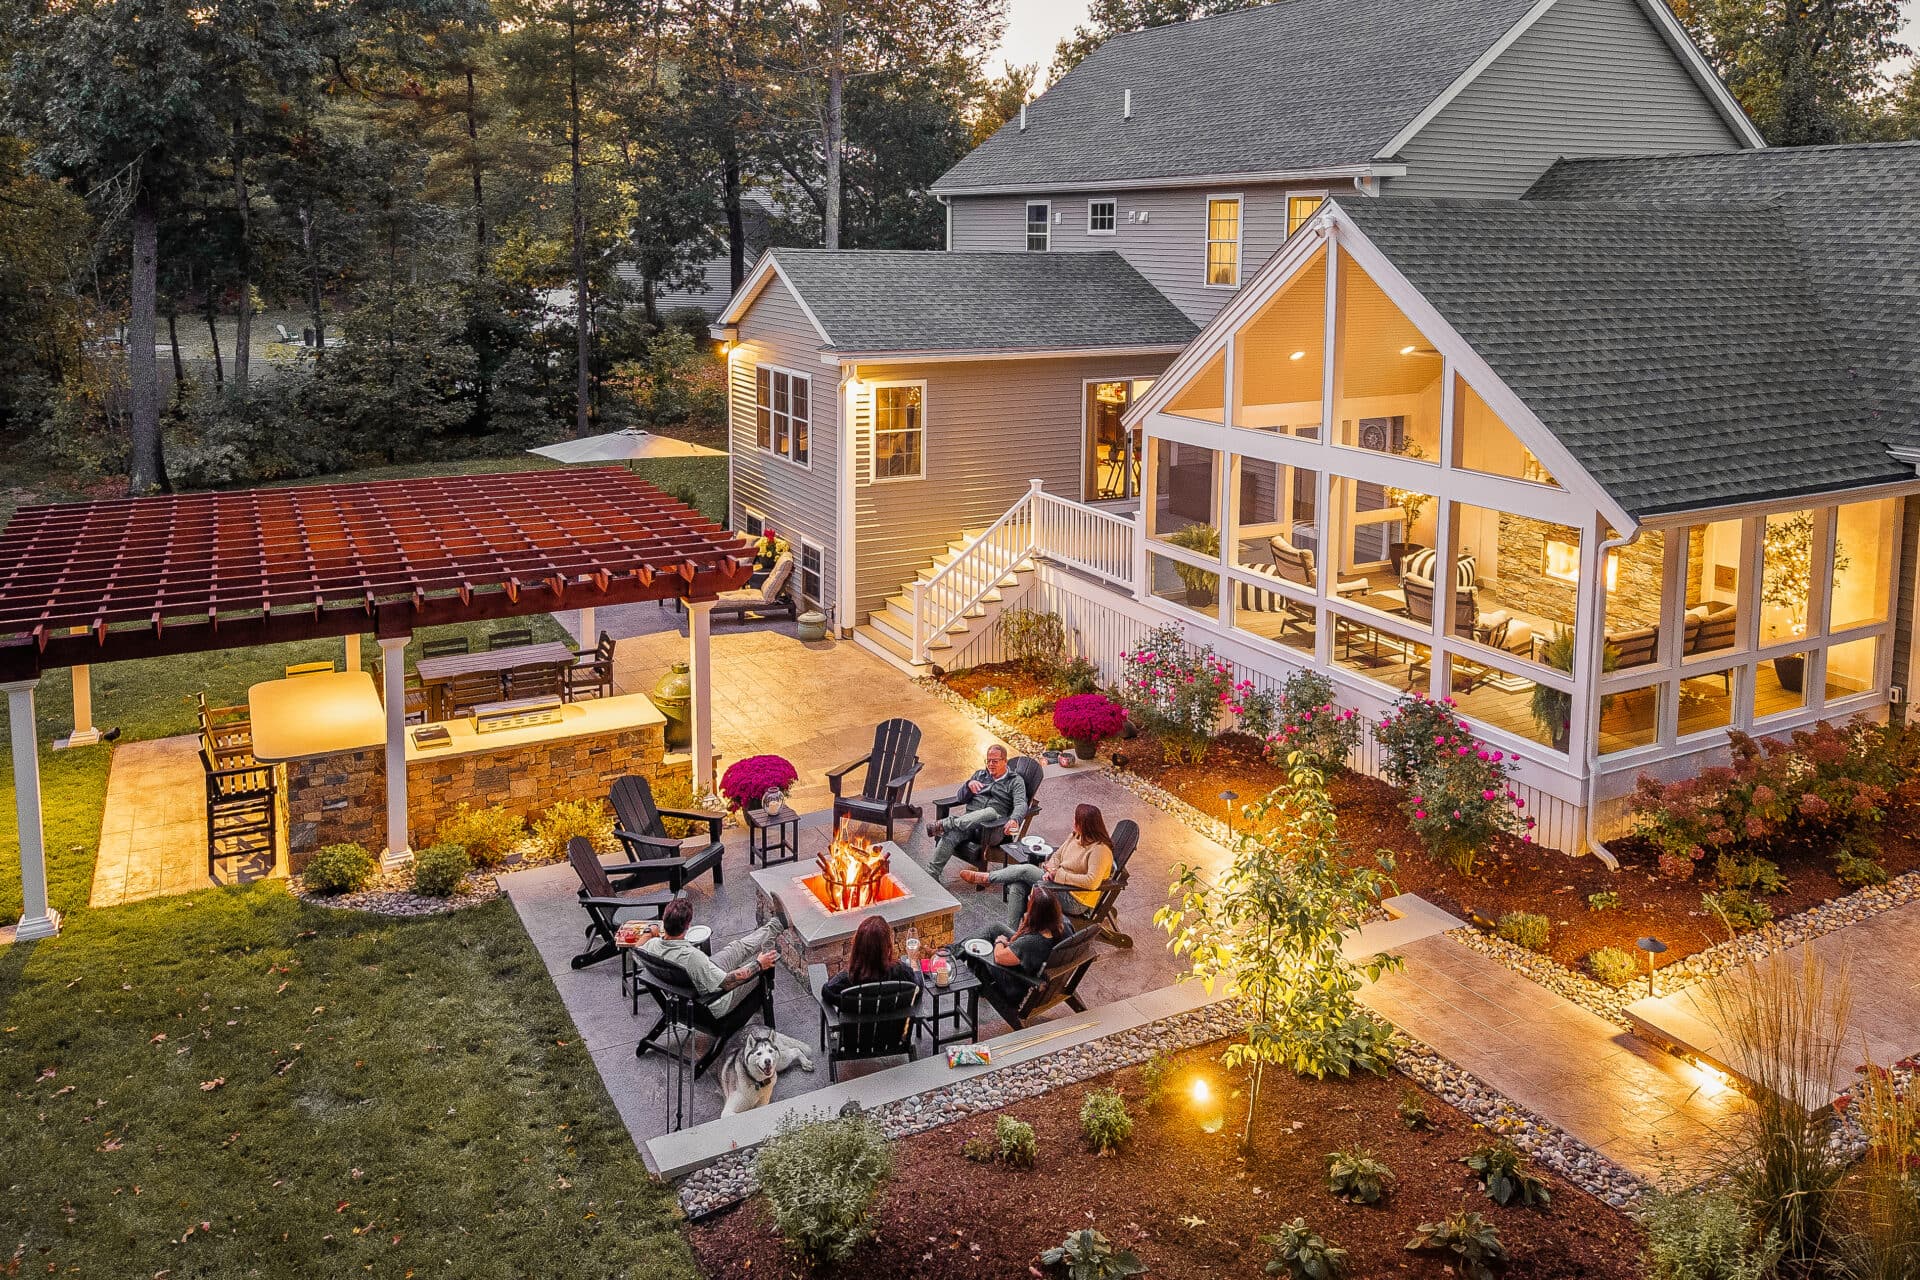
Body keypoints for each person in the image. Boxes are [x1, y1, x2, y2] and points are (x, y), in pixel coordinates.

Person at [959, 802, 1114, 930]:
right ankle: (1012, 934)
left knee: (1027, 870)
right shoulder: (1076, 836)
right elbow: (1058, 855)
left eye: (1077, 821)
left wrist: (1059, 876)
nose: (1073, 823)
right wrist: (1052, 869)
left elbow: (1092, 882)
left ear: (1087, 825)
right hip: (1057, 884)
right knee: (1017, 887)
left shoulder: (1099, 850)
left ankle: (988, 878)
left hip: (1075, 899)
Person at [635, 896, 779, 1017]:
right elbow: (728, 983)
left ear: (663, 922)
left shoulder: (650, 947)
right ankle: (765, 1006)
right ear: (687, 927)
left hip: (693, 986)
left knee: (737, 947)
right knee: (757, 964)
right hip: (713, 1002)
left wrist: (649, 931)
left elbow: (637, 948)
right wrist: (759, 964)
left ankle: (777, 924)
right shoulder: (693, 957)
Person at [925, 744, 1028, 880]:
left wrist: (1014, 819)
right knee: (951, 834)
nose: (991, 764)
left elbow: (1021, 803)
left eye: (995, 761)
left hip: (992, 830)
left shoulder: (1015, 781)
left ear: (1004, 761)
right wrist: (968, 785)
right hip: (968, 824)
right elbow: (961, 798)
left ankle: (946, 823)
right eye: (988, 760)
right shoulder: (980, 775)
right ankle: (932, 874)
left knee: (990, 811)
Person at [963, 885, 1067, 1001]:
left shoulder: (1032, 942)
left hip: (1016, 984)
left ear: (1036, 912)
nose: (1027, 900)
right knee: (995, 927)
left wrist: (999, 942)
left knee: (976, 951)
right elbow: (1015, 941)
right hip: (1032, 964)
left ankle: (960, 959)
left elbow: (998, 957)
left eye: (1029, 898)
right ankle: (957, 951)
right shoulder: (1063, 926)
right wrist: (1025, 925)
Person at [821, 915, 922, 1004]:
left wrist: (845, 1002)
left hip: (857, 1025)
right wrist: (913, 961)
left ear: (857, 946)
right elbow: (918, 989)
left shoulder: (848, 978)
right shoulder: (900, 971)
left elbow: (827, 991)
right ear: (887, 946)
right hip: (894, 1026)